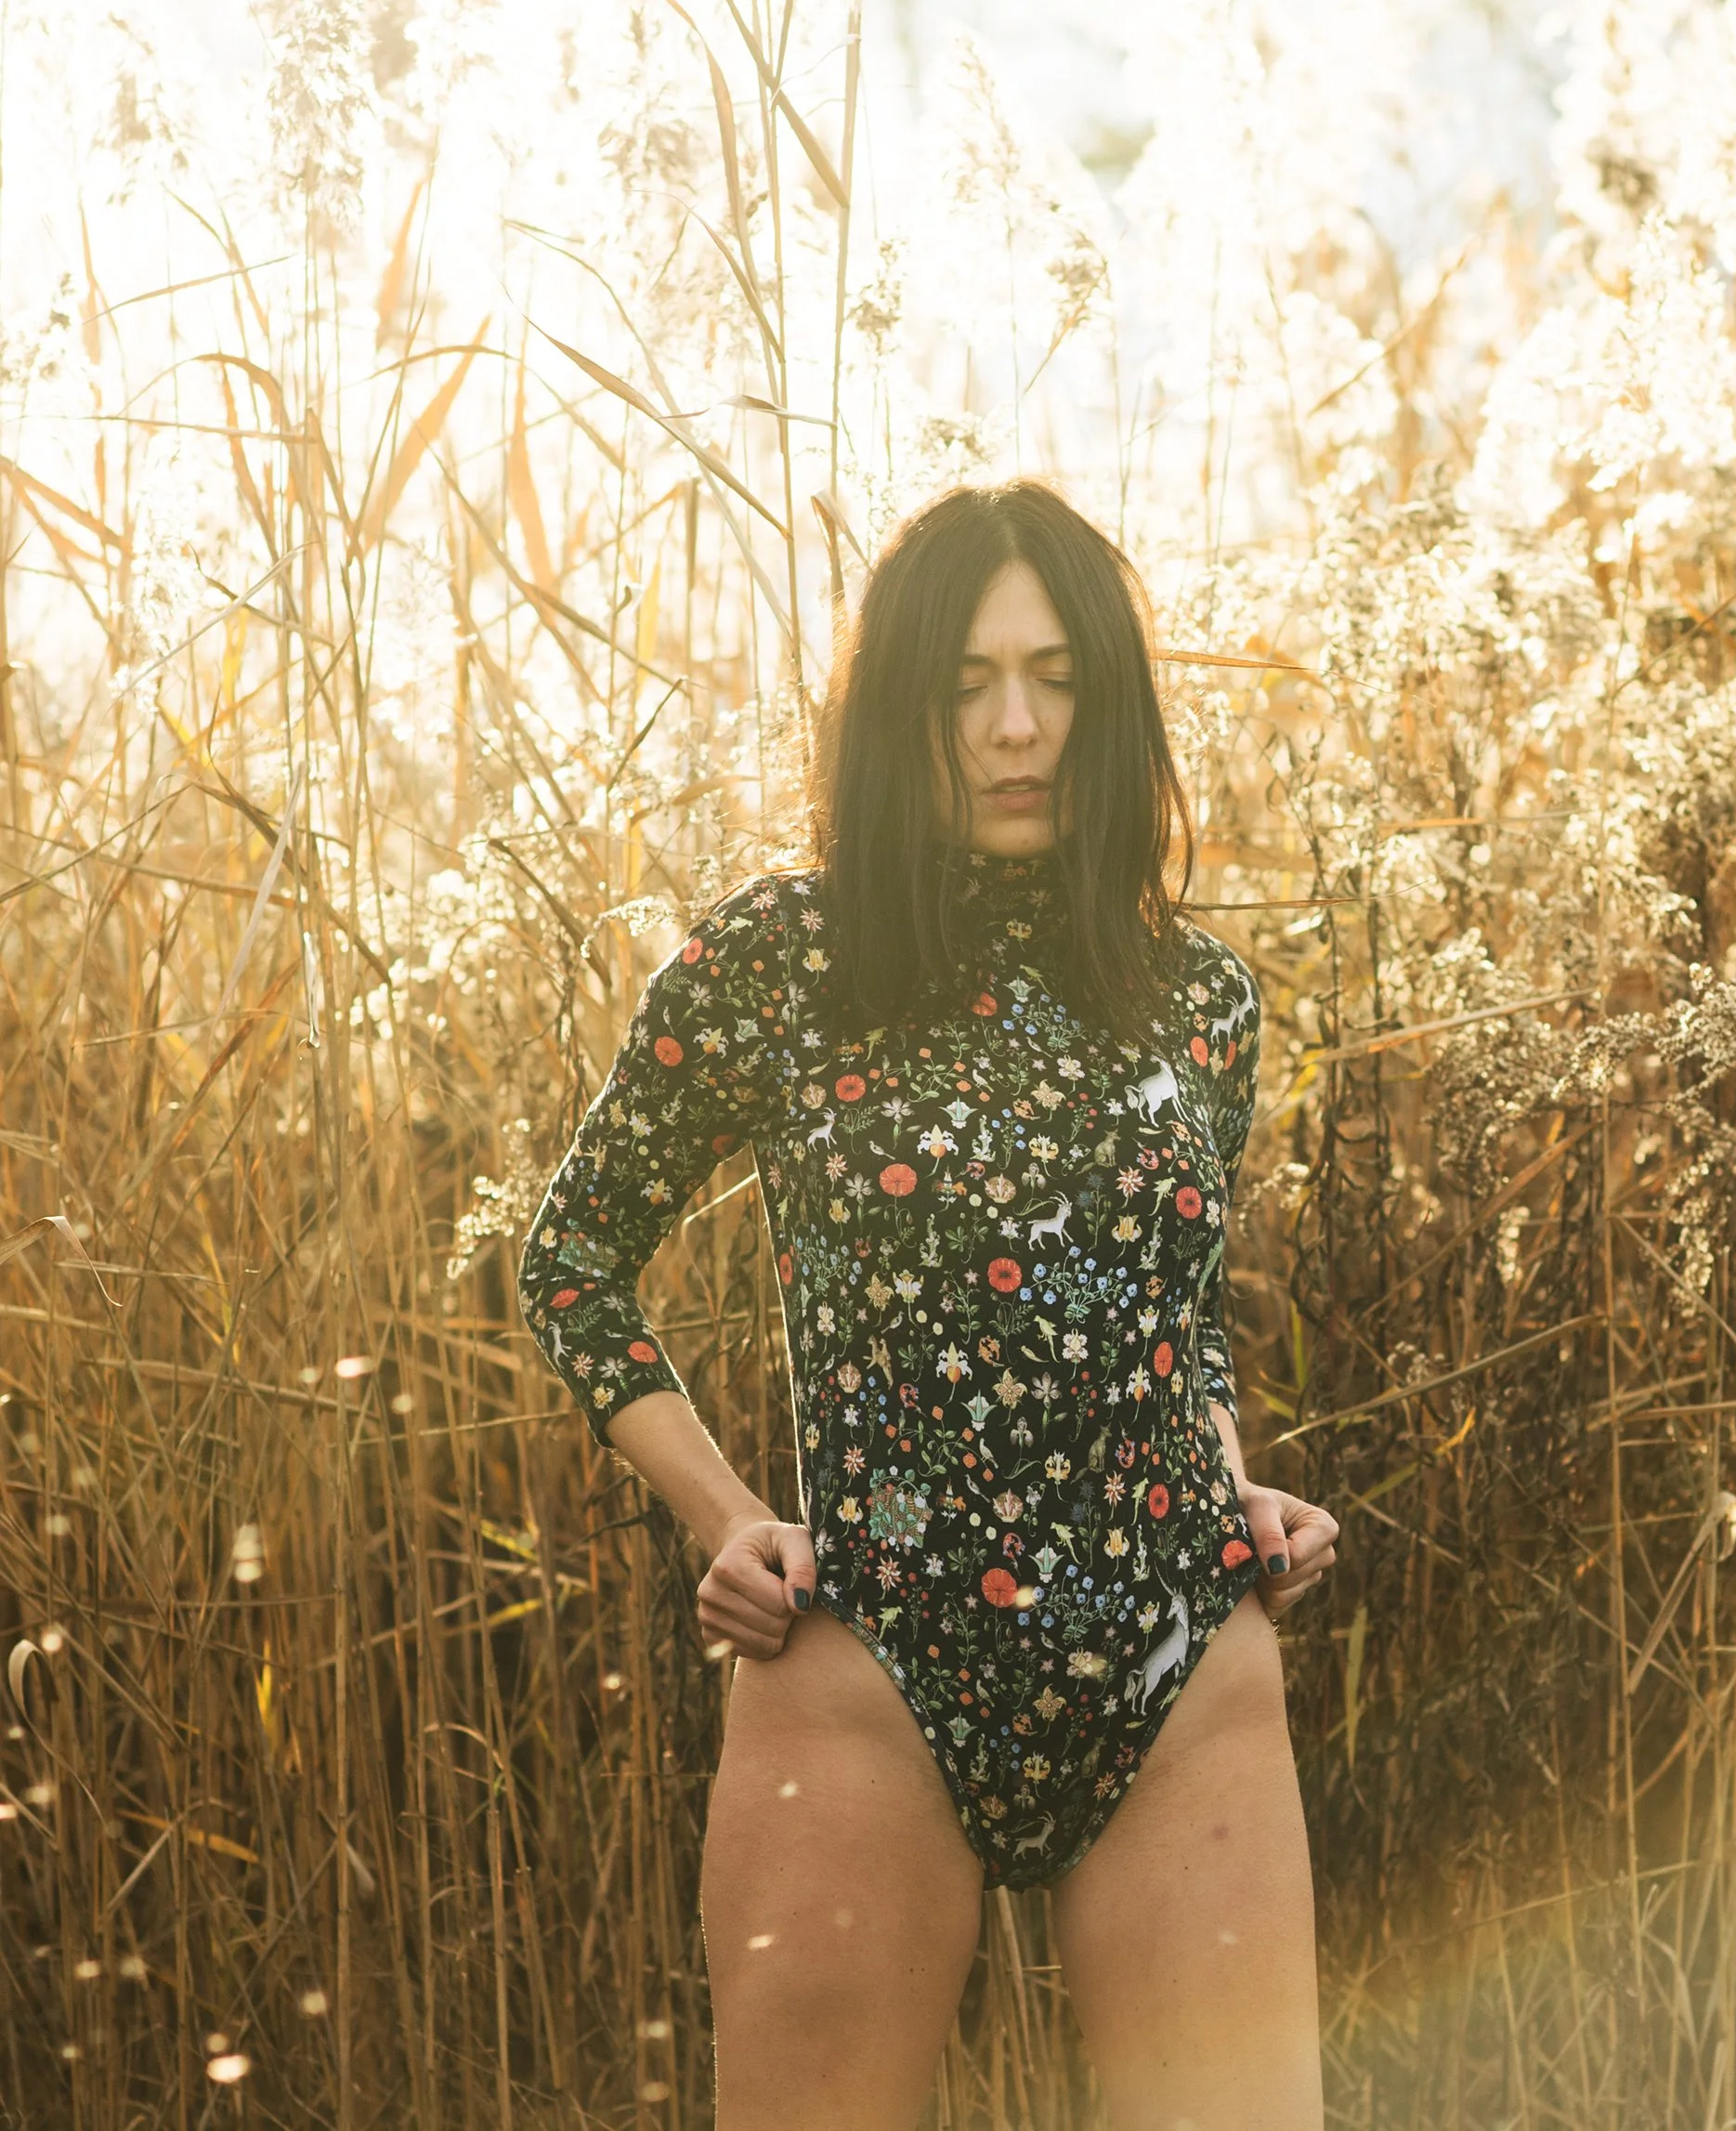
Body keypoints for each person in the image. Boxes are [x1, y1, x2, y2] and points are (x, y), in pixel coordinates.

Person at [517, 479, 1339, 2131]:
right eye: (967, 685)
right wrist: (731, 1518)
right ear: (904, 707)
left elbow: (1170, 1322)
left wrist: (1232, 1473)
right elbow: (571, 1259)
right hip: (868, 1662)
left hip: (1181, 1662)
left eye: (1055, 681)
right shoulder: (778, 962)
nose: (1016, 729)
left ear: (1108, 707)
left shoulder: (1202, 1000)